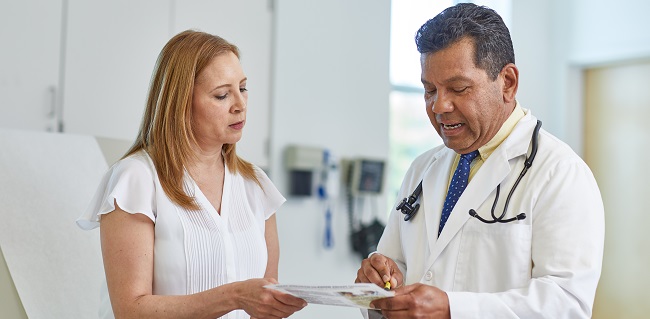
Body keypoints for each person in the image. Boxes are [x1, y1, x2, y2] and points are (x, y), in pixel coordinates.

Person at [355, 3, 604, 319]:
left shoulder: (560, 174)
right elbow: (398, 266)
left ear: (508, 83)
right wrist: (378, 281)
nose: (439, 106)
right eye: (430, 90)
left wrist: (452, 309)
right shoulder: (422, 168)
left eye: (458, 89)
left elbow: (567, 304)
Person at [76, 30, 306, 319]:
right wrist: (234, 296)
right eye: (222, 94)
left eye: (243, 88)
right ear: (181, 103)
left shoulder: (256, 185)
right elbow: (130, 310)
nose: (240, 104)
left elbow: (265, 304)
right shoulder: (135, 180)